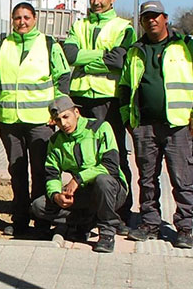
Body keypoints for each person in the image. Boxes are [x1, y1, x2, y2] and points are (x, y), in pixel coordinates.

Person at [117, 0, 193, 249]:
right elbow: (124, 86)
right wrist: (127, 117)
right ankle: (150, 224)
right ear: (142, 21)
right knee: (147, 179)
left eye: (156, 16)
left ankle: (185, 228)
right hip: (144, 125)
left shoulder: (184, 46)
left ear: (165, 18)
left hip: (178, 125)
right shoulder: (135, 50)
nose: (151, 21)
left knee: (182, 179)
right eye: (146, 17)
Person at [0, 2, 71, 238]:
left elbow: (63, 78)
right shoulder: (3, 44)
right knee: (17, 171)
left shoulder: (48, 44)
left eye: (26, 17)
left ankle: (42, 219)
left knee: (41, 171)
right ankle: (20, 219)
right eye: (17, 18)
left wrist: (57, 112)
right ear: (12, 20)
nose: (22, 22)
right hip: (10, 120)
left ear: (35, 19)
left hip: (40, 121)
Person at [63, 0, 136, 231]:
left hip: (108, 99)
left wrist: (86, 60)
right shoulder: (79, 24)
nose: (96, 2)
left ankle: (121, 212)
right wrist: (102, 56)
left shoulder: (124, 27)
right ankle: (88, 211)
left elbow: (119, 60)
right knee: (83, 155)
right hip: (81, 97)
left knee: (114, 156)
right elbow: (70, 55)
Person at [30, 96, 128, 253]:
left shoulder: (100, 127)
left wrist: (78, 178)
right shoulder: (56, 141)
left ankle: (107, 233)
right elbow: (52, 175)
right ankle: (85, 221)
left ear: (76, 112)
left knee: (103, 181)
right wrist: (56, 196)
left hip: (111, 190)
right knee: (38, 206)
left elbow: (111, 166)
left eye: (66, 117)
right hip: (82, 193)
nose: (63, 124)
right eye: (58, 120)